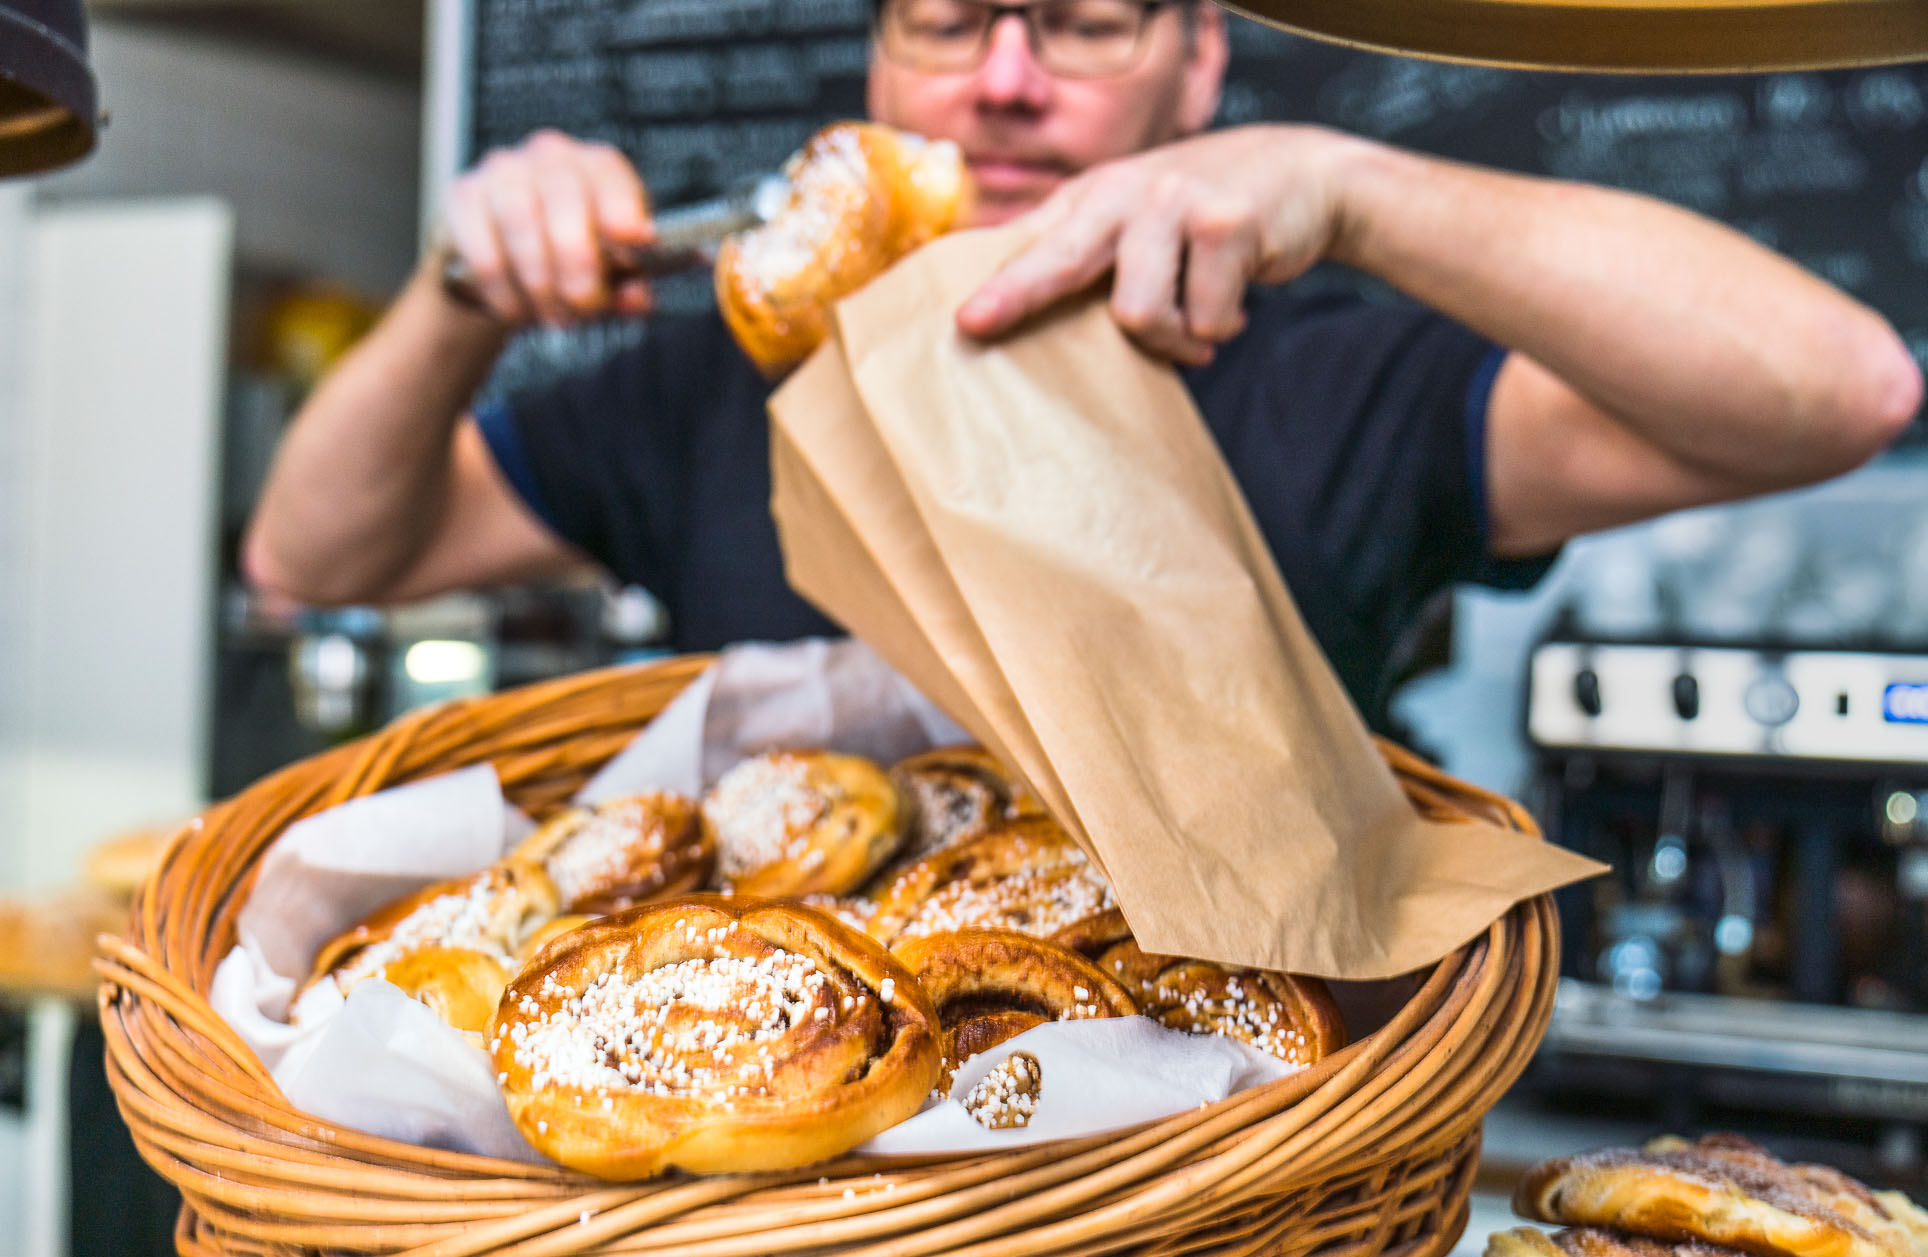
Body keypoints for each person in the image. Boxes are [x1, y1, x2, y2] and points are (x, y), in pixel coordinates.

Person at [243, 0, 1922, 726]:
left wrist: (1358, 189)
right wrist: (461, 291)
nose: (1007, 81)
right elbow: (312, 553)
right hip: (769, 1245)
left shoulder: (1330, 377)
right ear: (882, 68)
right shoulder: (722, 375)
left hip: (1195, 1232)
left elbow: (1835, 388)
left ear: (1199, 72)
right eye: (946, 23)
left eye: (1090, 22)